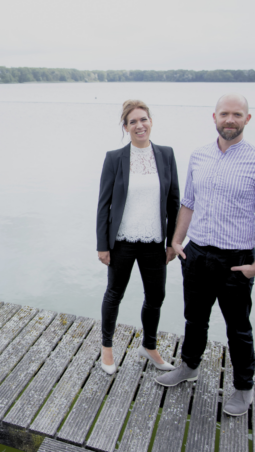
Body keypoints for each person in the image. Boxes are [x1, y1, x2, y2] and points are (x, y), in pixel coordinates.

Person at [155, 94, 255, 417]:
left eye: (237, 114)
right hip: (195, 255)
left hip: (236, 260)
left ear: (247, 119)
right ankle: (190, 366)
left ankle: (243, 387)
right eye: (224, 114)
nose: (230, 119)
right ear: (213, 117)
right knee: (194, 319)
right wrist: (176, 242)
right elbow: (188, 203)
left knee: (238, 328)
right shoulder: (199, 156)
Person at [96, 99, 180, 375]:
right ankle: (107, 348)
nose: (139, 125)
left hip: (155, 242)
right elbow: (104, 204)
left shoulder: (166, 155)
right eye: (133, 121)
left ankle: (149, 346)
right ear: (125, 127)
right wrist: (102, 245)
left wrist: (172, 242)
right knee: (114, 294)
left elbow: (173, 202)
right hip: (121, 241)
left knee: (156, 296)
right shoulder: (114, 158)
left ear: (151, 122)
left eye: (143, 119)